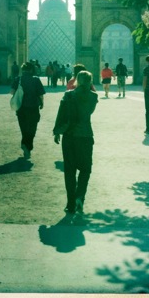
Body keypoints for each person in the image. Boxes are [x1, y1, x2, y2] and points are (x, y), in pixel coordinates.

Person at [53, 70, 98, 214]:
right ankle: (80, 196)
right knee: (85, 169)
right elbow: (88, 113)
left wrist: (56, 131)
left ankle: (70, 204)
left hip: (69, 135)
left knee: (70, 171)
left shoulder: (68, 95)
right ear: (90, 81)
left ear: (77, 80)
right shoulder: (93, 97)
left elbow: (61, 114)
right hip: (85, 136)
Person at [10, 61, 45, 159]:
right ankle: (28, 146)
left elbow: (11, 92)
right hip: (33, 107)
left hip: (21, 108)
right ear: (31, 69)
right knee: (32, 128)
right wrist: (42, 103)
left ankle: (25, 145)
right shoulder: (36, 80)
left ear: (23, 70)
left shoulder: (18, 79)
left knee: (24, 128)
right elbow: (40, 95)